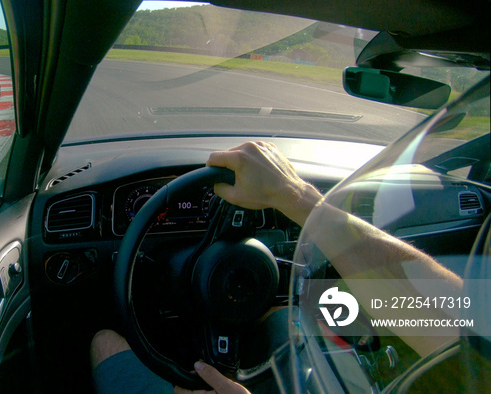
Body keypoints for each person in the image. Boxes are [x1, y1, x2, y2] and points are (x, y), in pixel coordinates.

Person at [90, 141, 463, 393]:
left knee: (103, 342)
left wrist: (296, 195)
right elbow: (450, 320)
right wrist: (295, 197)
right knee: (282, 312)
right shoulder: (477, 354)